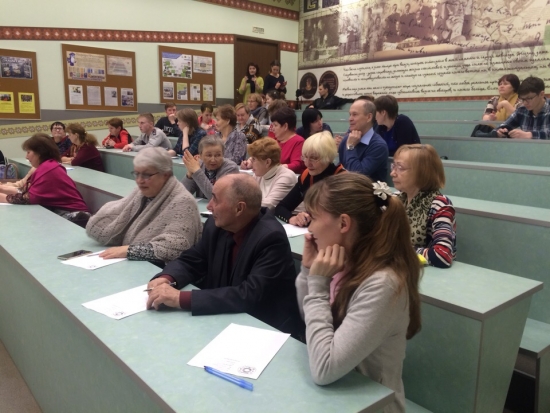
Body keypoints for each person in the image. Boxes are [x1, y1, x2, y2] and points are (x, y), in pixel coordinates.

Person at [295, 173, 421, 413]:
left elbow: (324, 369)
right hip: (337, 396)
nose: (309, 229)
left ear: (343, 223)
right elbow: (309, 319)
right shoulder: (345, 263)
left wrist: (319, 284)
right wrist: (308, 271)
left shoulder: (383, 284)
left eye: (314, 218)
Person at [145, 174, 304, 338]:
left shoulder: (271, 238)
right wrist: (167, 277)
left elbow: (248, 295)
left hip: (264, 329)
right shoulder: (216, 225)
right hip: (222, 319)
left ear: (239, 208)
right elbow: (193, 259)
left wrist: (180, 298)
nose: (209, 206)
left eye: (215, 199)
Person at [86, 148, 202, 266]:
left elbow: (177, 247)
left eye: (146, 175)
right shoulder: (140, 193)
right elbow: (100, 225)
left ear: (165, 175)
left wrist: (130, 251)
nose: (139, 180)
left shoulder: (183, 202)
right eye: (137, 174)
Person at [0, 133, 89, 226]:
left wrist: (3, 197)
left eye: (28, 152)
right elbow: (27, 191)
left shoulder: (47, 169)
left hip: (74, 218)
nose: (26, 157)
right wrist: (2, 189)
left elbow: (29, 199)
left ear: (39, 153)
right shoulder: (47, 166)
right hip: (62, 213)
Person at [391, 144, 456, 268]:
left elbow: (442, 255)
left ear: (422, 173)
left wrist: (396, 249)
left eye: (400, 168)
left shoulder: (439, 204)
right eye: (393, 166)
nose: (392, 173)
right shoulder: (395, 199)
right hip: (400, 268)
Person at [275, 131, 345, 226]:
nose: (307, 163)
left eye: (314, 158)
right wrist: (293, 218)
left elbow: (340, 219)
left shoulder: (343, 180)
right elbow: (281, 207)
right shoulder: (306, 176)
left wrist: (310, 219)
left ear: (328, 157)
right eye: (305, 157)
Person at [338, 100, 388, 182]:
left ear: (369, 117)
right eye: (350, 115)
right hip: (345, 187)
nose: (350, 119)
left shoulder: (379, 146)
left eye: (355, 114)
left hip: (367, 189)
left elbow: (357, 175)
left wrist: (351, 147)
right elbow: (340, 168)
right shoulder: (346, 140)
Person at [181, 135, 239, 200]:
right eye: (209, 155)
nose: (213, 160)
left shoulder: (231, 168)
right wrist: (190, 174)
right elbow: (182, 195)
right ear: (200, 155)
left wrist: (197, 172)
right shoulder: (199, 165)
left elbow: (216, 197)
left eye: (218, 155)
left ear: (223, 154)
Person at [247, 138, 297, 210]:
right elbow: (249, 197)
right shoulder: (259, 173)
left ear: (267, 162)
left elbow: (269, 205)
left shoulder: (286, 177)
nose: (251, 163)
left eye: (254, 159)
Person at [270, 106, 306, 173]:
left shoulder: (299, 141)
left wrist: (276, 168)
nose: (272, 129)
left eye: (275, 125)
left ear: (285, 126)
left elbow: (296, 164)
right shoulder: (274, 141)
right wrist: (252, 161)